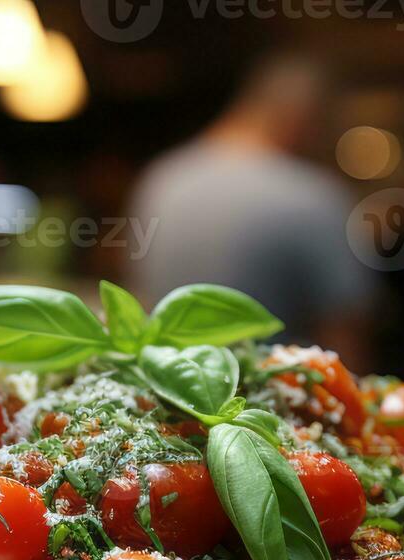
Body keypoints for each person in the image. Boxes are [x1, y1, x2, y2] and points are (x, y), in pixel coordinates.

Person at [127, 56, 374, 361]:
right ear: (305, 118)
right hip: (274, 402)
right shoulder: (313, 196)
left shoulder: (161, 179)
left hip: (170, 393)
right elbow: (345, 337)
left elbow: (141, 300)